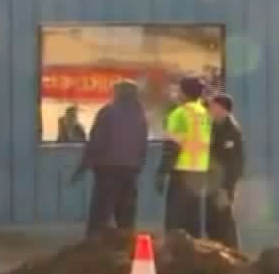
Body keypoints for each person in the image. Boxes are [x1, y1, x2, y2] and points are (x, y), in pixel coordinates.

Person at [70, 79, 149, 236]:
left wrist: (83, 166)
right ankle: (126, 248)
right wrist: (138, 165)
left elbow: (96, 142)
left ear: (117, 93)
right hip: (130, 170)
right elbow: (142, 145)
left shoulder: (108, 111)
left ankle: (95, 248)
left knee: (100, 214)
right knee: (126, 215)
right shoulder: (140, 115)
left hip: (108, 169)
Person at [153, 75, 213, 238]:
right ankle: (194, 252)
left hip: (181, 170)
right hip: (200, 170)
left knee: (176, 220)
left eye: (179, 89)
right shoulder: (204, 113)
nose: (176, 92)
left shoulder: (180, 113)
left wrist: (162, 172)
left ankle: (174, 253)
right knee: (193, 219)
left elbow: (172, 146)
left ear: (184, 93)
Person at [205, 92, 246, 250]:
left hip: (223, 184)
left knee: (224, 219)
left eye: (213, 106)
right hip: (213, 181)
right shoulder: (215, 126)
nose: (210, 109)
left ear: (222, 109)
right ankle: (217, 248)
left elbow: (235, 163)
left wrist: (226, 186)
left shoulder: (231, 130)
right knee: (213, 219)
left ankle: (233, 251)